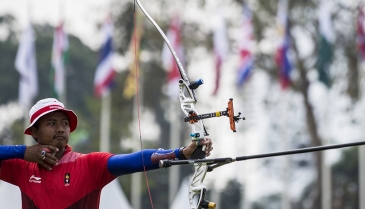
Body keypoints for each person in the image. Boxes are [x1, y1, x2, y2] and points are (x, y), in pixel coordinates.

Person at [0, 98, 213, 209]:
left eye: (65, 123)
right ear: (34, 132)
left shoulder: (87, 164)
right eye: (52, 123)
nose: (61, 129)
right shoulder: (21, 168)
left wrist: (181, 153)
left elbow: (132, 161)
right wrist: (23, 151)